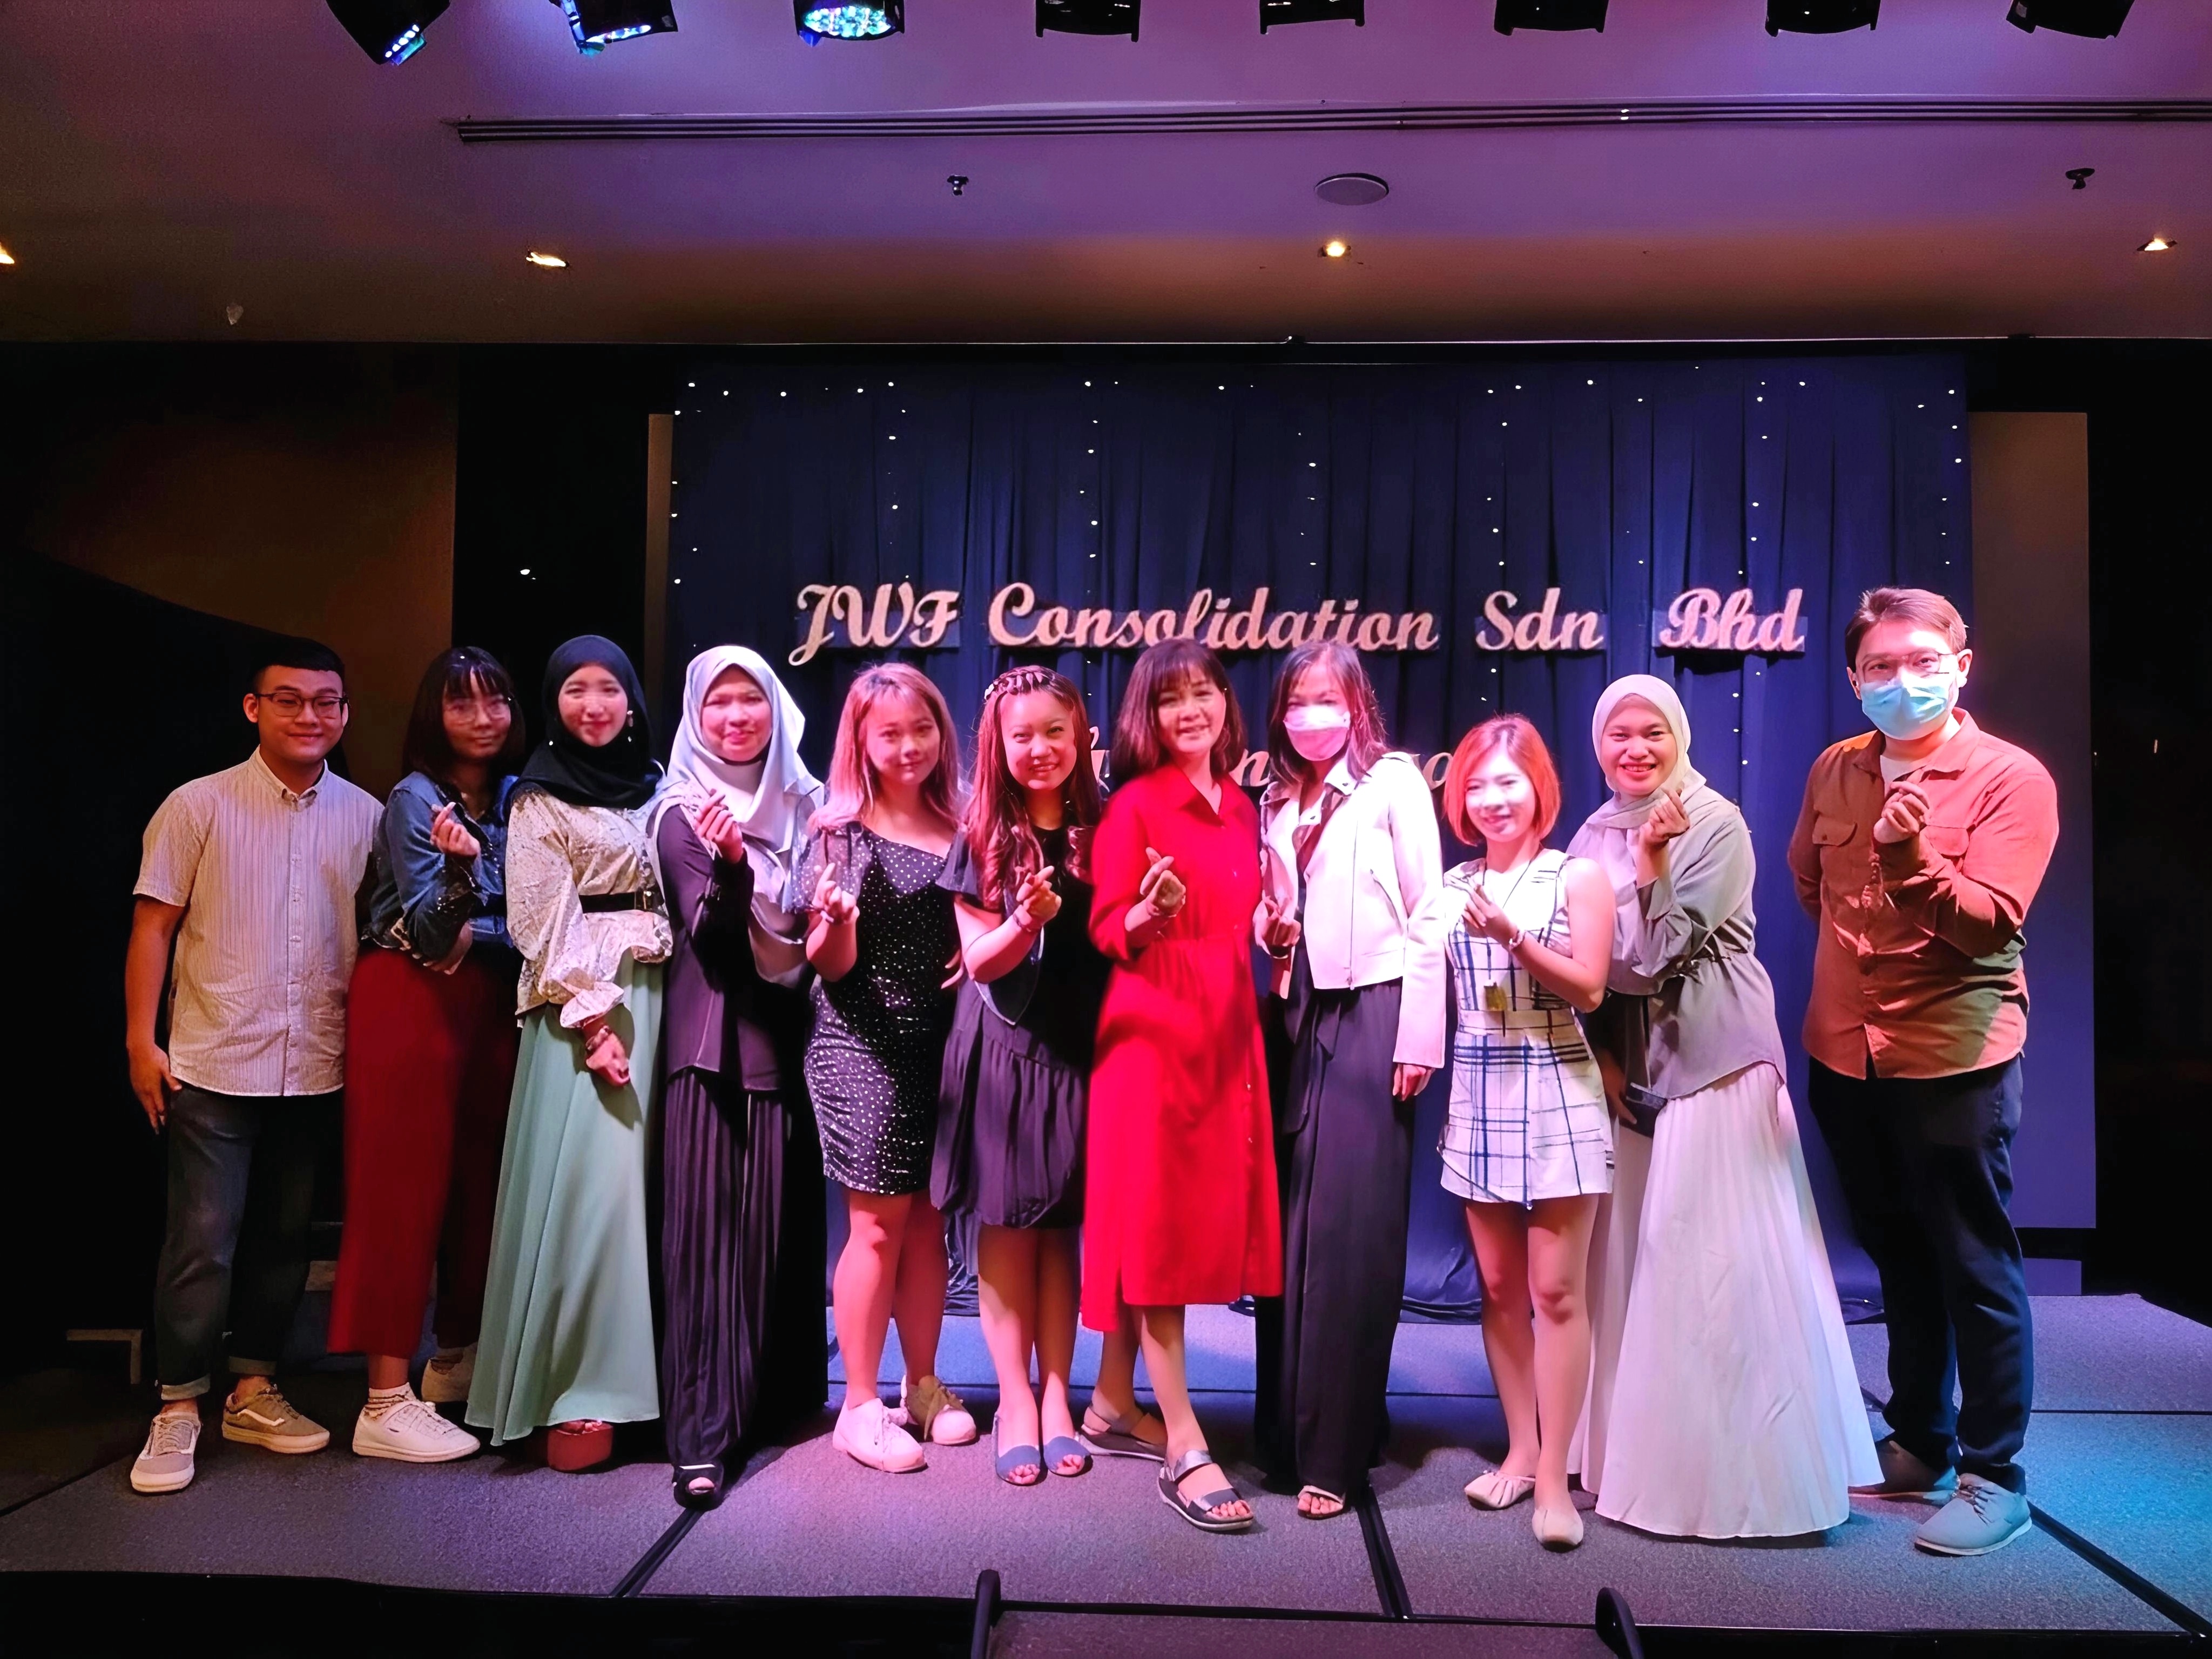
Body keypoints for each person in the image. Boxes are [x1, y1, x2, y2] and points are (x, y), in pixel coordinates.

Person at [1569, 674, 1878, 1539]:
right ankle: (1634, 1459)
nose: (1636, 749)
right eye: (1619, 734)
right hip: (1636, 1069)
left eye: (1653, 733)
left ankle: (1741, 1485)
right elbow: (1588, 965)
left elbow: (1657, 954)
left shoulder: (1713, 821)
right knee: (1641, 1265)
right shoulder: (1594, 829)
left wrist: (1650, 867)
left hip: (1715, 1058)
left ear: (1680, 737)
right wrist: (1600, 1040)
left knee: (1713, 1267)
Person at [1789, 587, 2058, 1557]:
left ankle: (1995, 1476)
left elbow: (1991, 924)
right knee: (1897, 1255)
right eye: (1880, 667)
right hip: (1843, 1052)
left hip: (1954, 1056)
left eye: (1922, 662)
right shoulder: (1836, 766)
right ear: (1854, 678)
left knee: (1973, 1264)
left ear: (1961, 666)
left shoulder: (2010, 778)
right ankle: (1919, 1443)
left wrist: (1907, 859)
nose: (1901, 681)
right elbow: (1810, 883)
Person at [125, 639, 382, 1495]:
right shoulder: (196, 805)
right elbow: (154, 928)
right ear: (253, 708)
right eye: (288, 700)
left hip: (317, 1061)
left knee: (284, 1240)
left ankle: (253, 1390)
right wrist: (140, 1042)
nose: (309, 715)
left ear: (344, 713)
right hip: (212, 1059)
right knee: (201, 1240)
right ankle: (178, 1405)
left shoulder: (368, 815)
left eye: (326, 702)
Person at [1084, 638, 1279, 1534]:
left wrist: (1276, 933)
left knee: (1183, 1220)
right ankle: (1185, 1444)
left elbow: (1246, 916)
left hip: (1226, 1024)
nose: (1190, 710)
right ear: (1149, 717)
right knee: (1155, 1229)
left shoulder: (1241, 806)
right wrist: (1148, 912)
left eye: (1203, 693)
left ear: (1224, 705)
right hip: (1153, 1028)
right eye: (1170, 699)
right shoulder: (1135, 804)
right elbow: (1106, 928)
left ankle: (1111, 1402)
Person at [466, 636, 671, 1472]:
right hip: (592, 1005)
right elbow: (542, 923)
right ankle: (579, 1389)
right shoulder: (537, 798)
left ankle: (662, 1385)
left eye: (609, 689)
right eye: (576, 690)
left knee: (652, 1198)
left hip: (666, 996)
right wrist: (595, 1025)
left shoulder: (659, 783)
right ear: (553, 702)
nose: (594, 706)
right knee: (595, 1201)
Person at [1252, 642, 1446, 1521]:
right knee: (1291, 1231)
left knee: (1352, 1233)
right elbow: (1277, 914)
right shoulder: (1275, 798)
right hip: (1295, 1016)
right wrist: (1270, 932)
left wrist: (1419, 1035)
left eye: (1327, 698)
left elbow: (1429, 911)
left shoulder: (1393, 782)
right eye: (1297, 702)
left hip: (1376, 1010)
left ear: (1357, 705)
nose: (1311, 716)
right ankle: (1285, 1434)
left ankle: (1337, 1448)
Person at [329, 648, 527, 1466]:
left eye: (496, 700)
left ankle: (454, 1360)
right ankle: (383, 1399)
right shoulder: (416, 797)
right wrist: (460, 882)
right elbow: (431, 936)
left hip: (492, 1002)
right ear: (433, 716)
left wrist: (488, 929)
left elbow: (533, 923)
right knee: (399, 1190)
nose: (483, 719)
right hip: (407, 997)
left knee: (484, 1182)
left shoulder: (518, 795)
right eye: (461, 704)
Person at [935, 667, 1121, 1487]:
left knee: (1060, 1231)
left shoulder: (1108, 824)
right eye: (1023, 735)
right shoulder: (981, 832)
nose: (1040, 748)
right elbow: (979, 961)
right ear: (998, 744)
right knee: (1009, 1229)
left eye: (1055, 731)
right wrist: (1023, 919)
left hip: (1084, 1054)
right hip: (1006, 1051)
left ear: (1081, 734)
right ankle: (1013, 1398)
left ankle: (1056, 1396)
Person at [651, 645, 827, 1509]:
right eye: (717, 703)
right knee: (707, 1248)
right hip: (714, 1046)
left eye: (749, 700)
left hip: (791, 1042)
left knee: (774, 1239)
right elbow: (714, 939)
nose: (735, 718)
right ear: (695, 716)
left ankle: (771, 1405)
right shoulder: (683, 811)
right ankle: (701, 1437)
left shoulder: (810, 807)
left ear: (776, 710)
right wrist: (732, 866)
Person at [1433, 716, 1612, 1550]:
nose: (1492, 799)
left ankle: (1554, 1480)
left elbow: (1590, 990)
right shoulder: (1452, 883)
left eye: (1508, 781)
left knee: (1556, 1293)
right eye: (1476, 785)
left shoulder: (1576, 876)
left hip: (1559, 1088)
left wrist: (1512, 937)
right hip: (1478, 1094)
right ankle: (1521, 1449)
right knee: (1500, 1290)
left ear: (1539, 786)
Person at [798, 663, 977, 1473]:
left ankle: (923, 1385)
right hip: (861, 1042)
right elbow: (829, 963)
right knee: (876, 1225)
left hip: (945, 1043)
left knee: (930, 1222)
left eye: (922, 728)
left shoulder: (966, 821)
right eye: (890, 733)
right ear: (862, 742)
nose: (909, 746)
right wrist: (837, 920)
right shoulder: (837, 831)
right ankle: (860, 1404)